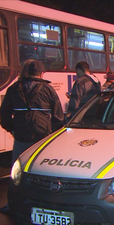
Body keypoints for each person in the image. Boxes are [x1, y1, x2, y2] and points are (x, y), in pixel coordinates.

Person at [0, 60, 64, 213]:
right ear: (41, 73)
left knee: (17, 175)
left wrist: (13, 130)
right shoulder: (48, 89)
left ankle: (13, 205)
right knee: (45, 173)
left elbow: (4, 115)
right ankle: (47, 204)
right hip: (43, 139)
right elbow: (58, 117)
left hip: (21, 138)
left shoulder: (14, 89)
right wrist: (53, 135)